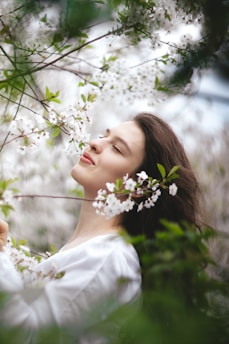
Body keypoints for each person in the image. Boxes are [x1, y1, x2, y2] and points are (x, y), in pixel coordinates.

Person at [0, 113, 201, 342]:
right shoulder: (91, 249)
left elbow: (26, 336)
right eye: (103, 136)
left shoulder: (107, 259)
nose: (95, 144)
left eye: (116, 148)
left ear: (139, 187)